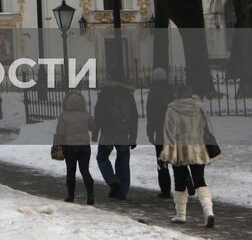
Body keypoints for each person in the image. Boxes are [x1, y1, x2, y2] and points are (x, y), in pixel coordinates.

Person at [161, 84, 216, 227]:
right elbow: (208, 128)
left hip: (180, 150)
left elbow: (169, 133)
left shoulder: (172, 110)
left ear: (177, 95)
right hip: (198, 148)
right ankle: (209, 212)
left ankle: (181, 215)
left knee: (179, 181)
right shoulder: (199, 108)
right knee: (200, 181)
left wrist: (168, 154)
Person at [92, 70, 139, 199]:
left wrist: (95, 133)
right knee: (123, 162)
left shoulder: (105, 93)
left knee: (102, 158)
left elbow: (98, 114)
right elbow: (134, 116)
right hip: (123, 132)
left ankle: (112, 181)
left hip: (108, 132)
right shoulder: (128, 94)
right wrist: (133, 137)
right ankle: (122, 193)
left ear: (111, 80)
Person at [53, 90, 95, 204]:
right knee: (85, 170)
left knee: (71, 172)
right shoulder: (86, 115)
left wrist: (58, 147)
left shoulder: (64, 116)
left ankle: (70, 196)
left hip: (69, 148)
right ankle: (90, 196)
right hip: (84, 147)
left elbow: (60, 133)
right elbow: (93, 127)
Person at [146, 67, 175, 198]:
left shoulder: (153, 92)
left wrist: (150, 131)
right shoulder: (172, 90)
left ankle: (165, 190)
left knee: (161, 162)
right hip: (174, 131)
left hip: (160, 131)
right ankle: (185, 183)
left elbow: (151, 113)